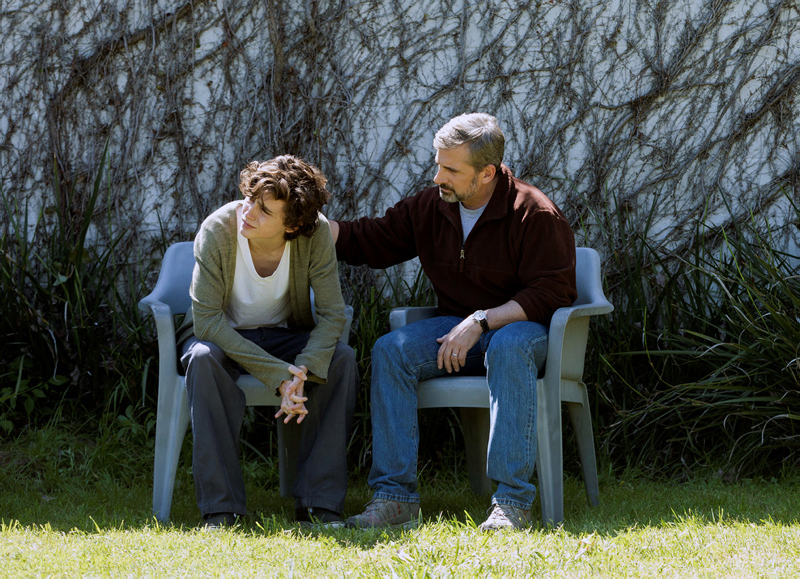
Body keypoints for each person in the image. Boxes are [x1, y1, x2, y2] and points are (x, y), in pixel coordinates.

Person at [331, 113, 577, 531]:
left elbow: (553, 293)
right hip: (457, 328)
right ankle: (395, 499)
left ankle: (512, 503)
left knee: (509, 344)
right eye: (437, 163)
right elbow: (372, 240)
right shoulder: (433, 206)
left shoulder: (533, 213)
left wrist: (481, 321)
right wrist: (314, 228)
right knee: (391, 350)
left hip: (525, 331)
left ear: (486, 173)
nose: (437, 176)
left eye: (450, 169)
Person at [177, 155, 357, 529]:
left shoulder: (316, 234)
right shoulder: (218, 230)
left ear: (291, 226)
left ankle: (318, 505)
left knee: (340, 359)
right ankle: (220, 510)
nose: (248, 212)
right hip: (221, 338)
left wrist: (303, 368)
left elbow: (332, 314)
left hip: (283, 337)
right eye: (249, 199)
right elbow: (207, 322)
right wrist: (278, 374)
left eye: (263, 210)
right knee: (202, 360)